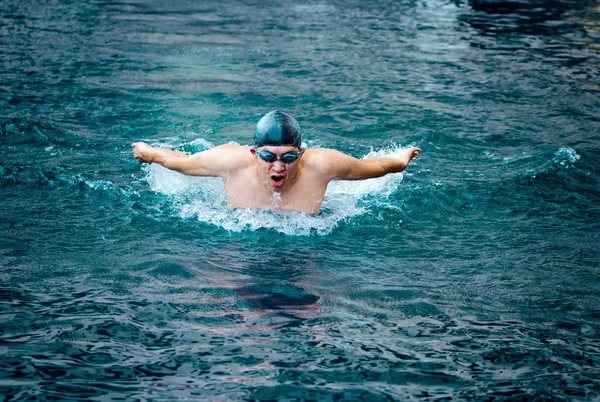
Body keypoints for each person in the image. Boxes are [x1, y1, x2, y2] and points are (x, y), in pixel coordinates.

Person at [132, 111, 421, 214]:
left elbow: (375, 168)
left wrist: (401, 158)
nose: (278, 167)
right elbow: (181, 162)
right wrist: (150, 153)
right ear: (254, 154)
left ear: (302, 154)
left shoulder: (323, 165)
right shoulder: (230, 161)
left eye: (289, 158)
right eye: (269, 157)